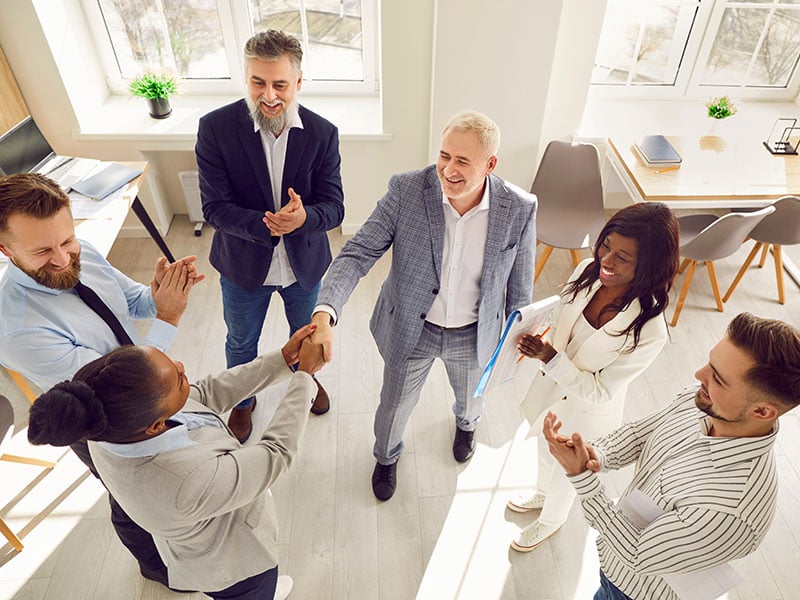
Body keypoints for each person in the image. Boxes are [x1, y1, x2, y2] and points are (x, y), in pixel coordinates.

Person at [310, 110, 537, 501]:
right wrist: (325, 311)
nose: (448, 169)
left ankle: (467, 424)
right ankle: (385, 456)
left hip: (474, 334)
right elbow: (357, 254)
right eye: (444, 155)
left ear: (490, 164)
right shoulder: (406, 191)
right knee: (394, 405)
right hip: (411, 330)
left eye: (462, 161)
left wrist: (519, 340)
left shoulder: (519, 207)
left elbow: (520, 286)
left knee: (471, 398)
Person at [0, 172, 203, 589]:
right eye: (42, 250)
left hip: (147, 390)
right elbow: (111, 391)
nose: (61, 259)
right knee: (129, 498)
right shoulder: (16, 328)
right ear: (5, 249)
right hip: (100, 419)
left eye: (66, 240)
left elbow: (131, 301)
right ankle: (155, 565)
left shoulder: (83, 252)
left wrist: (158, 297)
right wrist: (168, 320)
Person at [27, 325, 326, 600]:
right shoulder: (183, 482)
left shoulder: (107, 426)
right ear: (156, 425)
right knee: (258, 591)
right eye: (178, 379)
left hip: (200, 533)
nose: (183, 368)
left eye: (173, 365)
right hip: (237, 567)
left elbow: (207, 394)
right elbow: (275, 452)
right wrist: (304, 377)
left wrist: (284, 359)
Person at [543, 312, 800, 600]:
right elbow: (644, 433)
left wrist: (583, 479)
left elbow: (636, 550)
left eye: (717, 378)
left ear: (762, 412)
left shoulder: (735, 511)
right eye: (709, 363)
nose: (699, 376)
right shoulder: (704, 401)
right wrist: (596, 454)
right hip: (612, 567)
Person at [196, 29, 345, 441]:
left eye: (280, 84)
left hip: (304, 267)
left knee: (309, 335)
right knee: (241, 342)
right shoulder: (215, 129)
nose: (269, 95)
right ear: (245, 78)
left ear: (298, 81)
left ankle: (306, 382)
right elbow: (214, 208)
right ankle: (243, 402)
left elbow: (335, 207)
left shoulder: (323, 133)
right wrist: (266, 224)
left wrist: (304, 218)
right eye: (257, 82)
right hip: (243, 266)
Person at [507, 202, 680, 552]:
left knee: (566, 473)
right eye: (607, 246)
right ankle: (541, 494)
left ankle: (551, 521)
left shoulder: (649, 331)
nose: (607, 260)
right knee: (543, 447)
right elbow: (561, 319)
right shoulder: (588, 269)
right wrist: (539, 339)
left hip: (586, 412)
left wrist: (551, 358)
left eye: (623, 257)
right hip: (550, 388)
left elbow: (600, 392)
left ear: (649, 266)